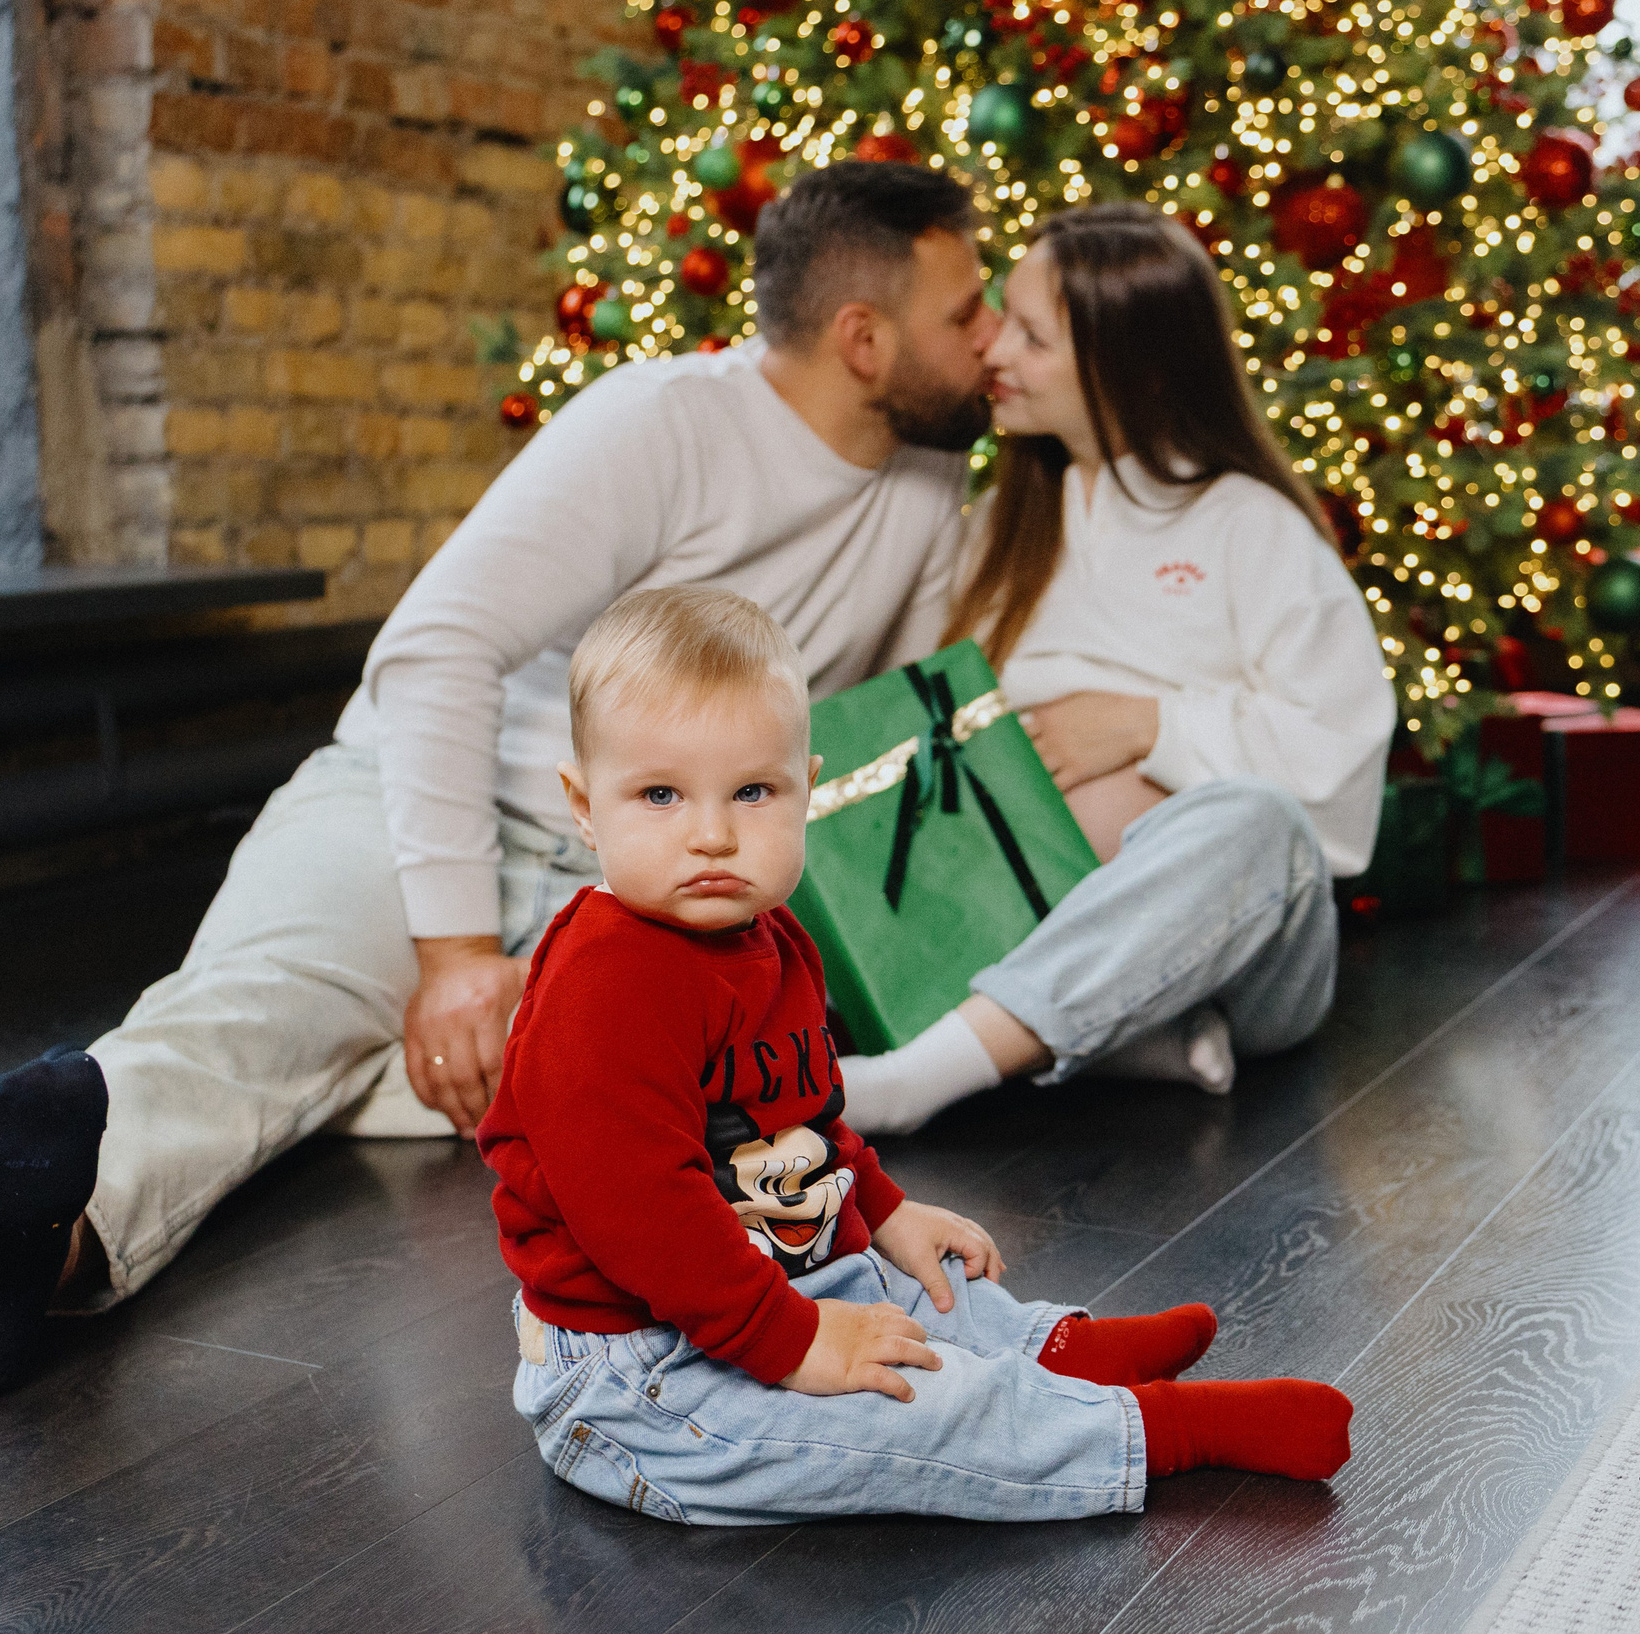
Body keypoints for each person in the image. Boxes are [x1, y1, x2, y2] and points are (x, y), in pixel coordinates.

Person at [0, 162, 1002, 1403]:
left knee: (609, 1097)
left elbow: (861, 729)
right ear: (864, 338)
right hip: (425, 794)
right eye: (968, 310)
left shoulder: (925, 480)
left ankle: (199, 1151)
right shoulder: (664, 424)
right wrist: (456, 950)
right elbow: (436, 648)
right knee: (269, 1011)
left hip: (631, 872)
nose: (993, 336)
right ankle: (30, 1233)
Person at [480, 585, 1352, 1524]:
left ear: (806, 789)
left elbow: (802, 1120)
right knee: (910, 1413)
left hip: (759, 1282)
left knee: (926, 1297)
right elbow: (641, 1214)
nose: (712, 834)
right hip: (644, 1377)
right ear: (583, 804)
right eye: (659, 794)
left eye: (753, 792)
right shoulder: (606, 982)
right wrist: (794, 1344)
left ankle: (1053, 1352)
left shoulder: (772, 939)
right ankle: (1161, 1432)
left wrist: (885, 1210)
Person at [834, 201, 1395, 1135]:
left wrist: (1148, 727)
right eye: (1002, 317)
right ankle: (1122, 1036)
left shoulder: (1249, 527)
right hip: (1002, 918)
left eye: (1034, 337)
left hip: (1244, 954)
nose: (995, 352)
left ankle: (922, 1076)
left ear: (1127, 365)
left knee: (1260, 825)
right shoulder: (992, 537)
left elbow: (1337, 791)